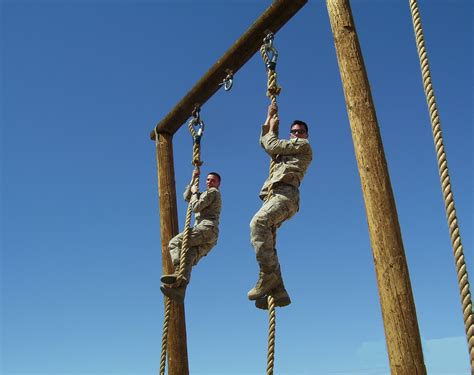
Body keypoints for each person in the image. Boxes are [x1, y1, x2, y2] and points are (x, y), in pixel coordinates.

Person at [249, 103, 312, 309]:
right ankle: (279, 290)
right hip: (275, 196)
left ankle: (267, 276)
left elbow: (272, 145)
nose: (296, 135)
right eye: (293, 132)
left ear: (306, 134)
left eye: (300, 132)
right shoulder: (286, 151)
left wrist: (272, 127)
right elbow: (265, 142)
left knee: (258, 224)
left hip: (286, 195)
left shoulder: (303, 146)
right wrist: (269, 118)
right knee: (268, 239)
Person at [160, 168, 222, 303]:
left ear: (218, 184)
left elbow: (195, 207)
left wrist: (194, 193)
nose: (209, 182)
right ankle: (180, 290)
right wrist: (193, 179)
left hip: (206, 229)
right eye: (208, 179)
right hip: (210, 237)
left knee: (175, 243)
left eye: (213, 180)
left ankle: (177, 271)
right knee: (187, 257)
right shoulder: (205, 193)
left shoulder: (212, 192)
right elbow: (186, 197)